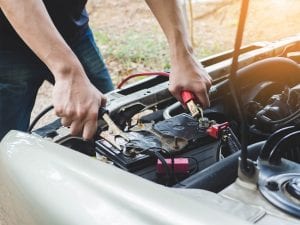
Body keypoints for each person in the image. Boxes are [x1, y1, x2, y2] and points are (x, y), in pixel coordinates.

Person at [0, 0, 212, 141]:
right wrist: (68, 71)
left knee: (112, 122)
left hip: (73, 31)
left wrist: (183, 54)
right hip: (6, 47)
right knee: (6, 148)